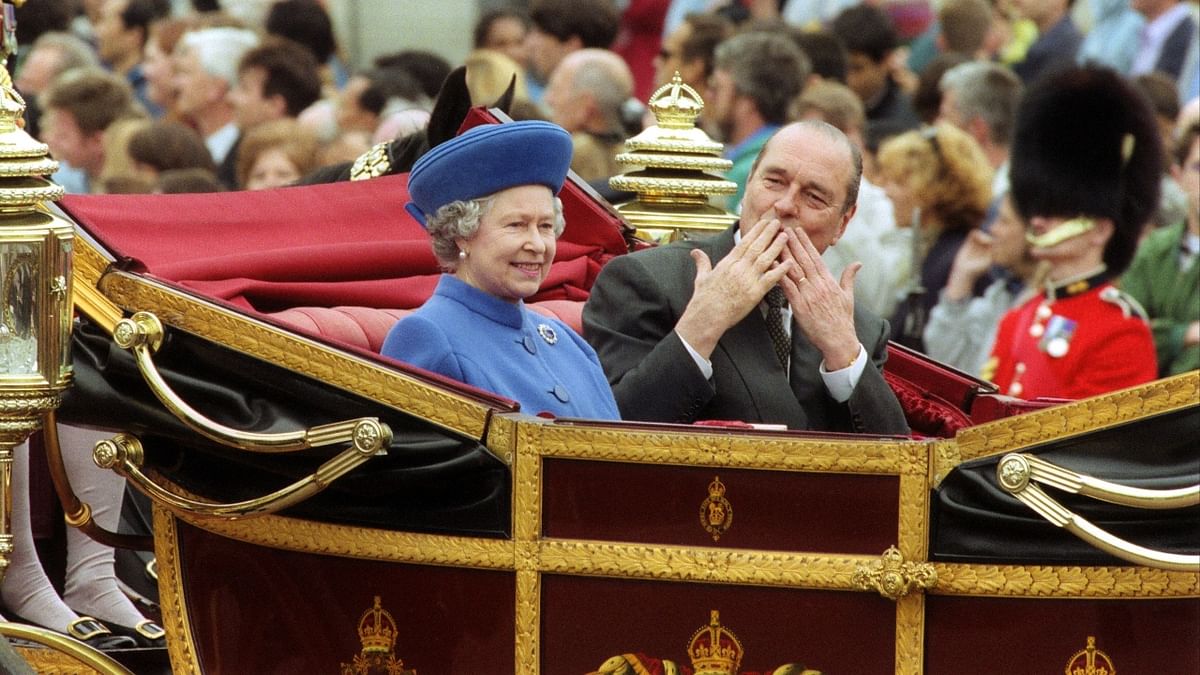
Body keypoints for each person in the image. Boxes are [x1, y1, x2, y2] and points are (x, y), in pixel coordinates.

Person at [583, 120, 908, 433]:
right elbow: (615, 427)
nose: (784, 205)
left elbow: (901, 464)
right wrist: (701, 326)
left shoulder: (858, 330)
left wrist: (842, 351)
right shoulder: (648, 280)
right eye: (774, 181)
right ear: (749, 181)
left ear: (843, 223)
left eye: (814, 197)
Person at [381, 121, 620, 420]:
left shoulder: (568, 342)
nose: (537, 244)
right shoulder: (427, 337)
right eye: (516, 225)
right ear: (462, 232)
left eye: (545, 226)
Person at [984, 65, 1160, 399]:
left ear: (1099, 230)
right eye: (1039, 205)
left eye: (1060, 209)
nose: (1038, 219)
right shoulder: (1020, 317)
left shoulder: (1120, 330)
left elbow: (1097, 444)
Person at [877, 123, 994, 352]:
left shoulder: (956, 259)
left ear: (932, 191)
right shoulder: (935, 250)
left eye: (899, 182)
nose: (886, 191)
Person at [923, 192, 1041, 375]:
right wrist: (961, 277)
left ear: (1035, 231)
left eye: (1004, 221)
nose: (993, 229)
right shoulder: (1002, 292)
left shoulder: (1043, 301)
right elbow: (944, 358)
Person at [1120, 119, 1200, 376]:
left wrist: (1158, 333)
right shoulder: (1153, 250)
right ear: (1178, 176)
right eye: (1199, 167)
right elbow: (1124, 336)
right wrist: (1183, 334)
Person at [708, 30, 810, 211]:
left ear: (747, 101)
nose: (708, 96)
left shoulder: (749, 171)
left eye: (717, 88)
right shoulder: (787, 152)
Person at [542, 48, 634, 183]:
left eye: (556, 89)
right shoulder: (636, 160)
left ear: (586, 104)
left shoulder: (565, 157)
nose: (549, 99)